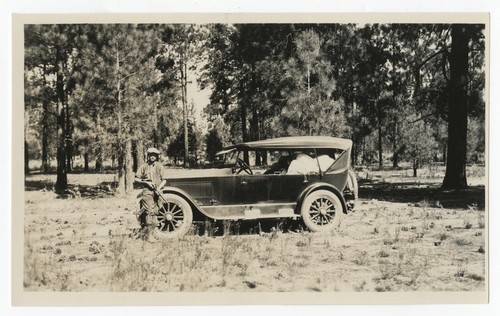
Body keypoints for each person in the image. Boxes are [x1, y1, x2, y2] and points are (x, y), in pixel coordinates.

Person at [134, 147, 169, 240]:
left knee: (156, 212)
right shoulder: (144, 166)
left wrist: (159, 187)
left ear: (157, 157)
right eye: (150, 155)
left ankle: (154, 233)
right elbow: (136, 178)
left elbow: (164, 180)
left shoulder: (159, 166)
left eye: (154, 155)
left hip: (158, 192)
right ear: (148, 156)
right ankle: (149, 236)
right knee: (149, 212)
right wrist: (146, 182)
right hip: (147, 191)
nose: (152, 157)